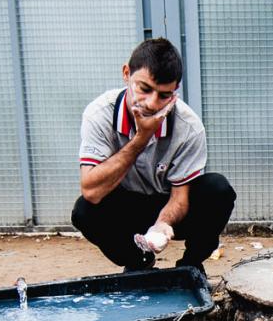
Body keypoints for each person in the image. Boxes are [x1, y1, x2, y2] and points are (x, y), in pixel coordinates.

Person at [72, 38, 235, 271]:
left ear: (175, 92)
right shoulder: (99, 114)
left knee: (218, 190)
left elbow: (181, 197)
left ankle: (190, 266)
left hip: (170, 205)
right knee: (84, 212)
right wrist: (141, 139)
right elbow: (91, 191)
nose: (151, 103)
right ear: (126, 73)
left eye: (163, 95)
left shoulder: (188, 126)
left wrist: (162, 224)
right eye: (144, 89)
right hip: (126, 207)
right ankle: (138, 263)